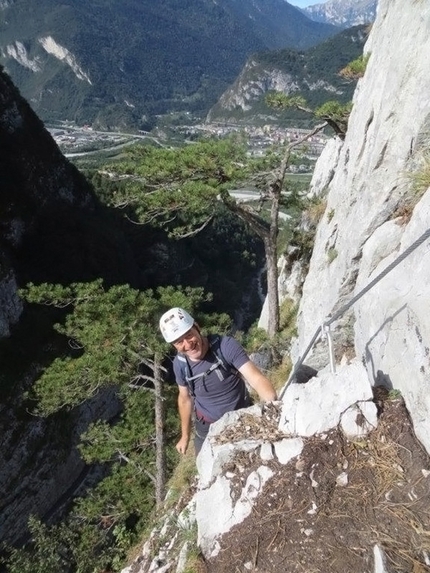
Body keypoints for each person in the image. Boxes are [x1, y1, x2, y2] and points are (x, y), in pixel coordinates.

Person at [159, 307, 277, 455]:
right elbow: (184, 399)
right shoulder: (180, 364)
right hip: (206, 425)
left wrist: (272, 405)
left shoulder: (225, 347)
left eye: (189, 335)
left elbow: (255, 378)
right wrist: (185, 436)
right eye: (179, 342)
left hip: (241, 416)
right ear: (173, 346)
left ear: (197, 327)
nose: (188, 345)